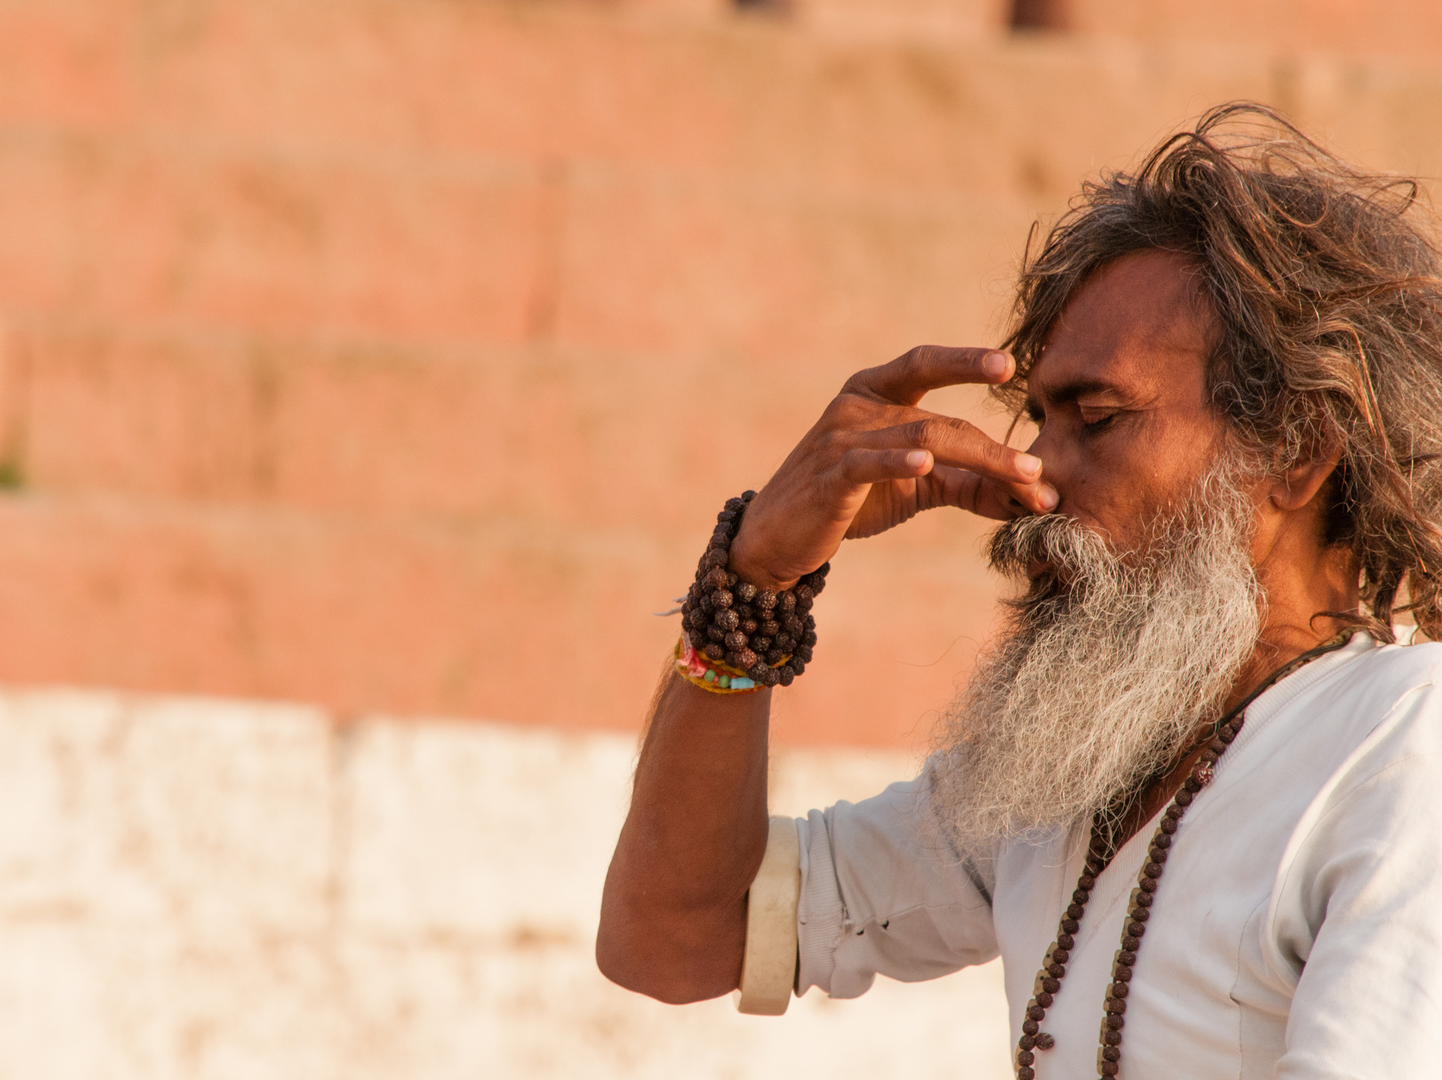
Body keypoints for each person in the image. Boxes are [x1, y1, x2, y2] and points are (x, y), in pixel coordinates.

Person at [594, 103, 1442, 1078]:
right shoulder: (1065, 771)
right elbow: (673, 937)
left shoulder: (1403, 743)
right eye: (1035, 421)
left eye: (1097, 419)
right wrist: (752, 585)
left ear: (1294, 454)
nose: (1031, 477)